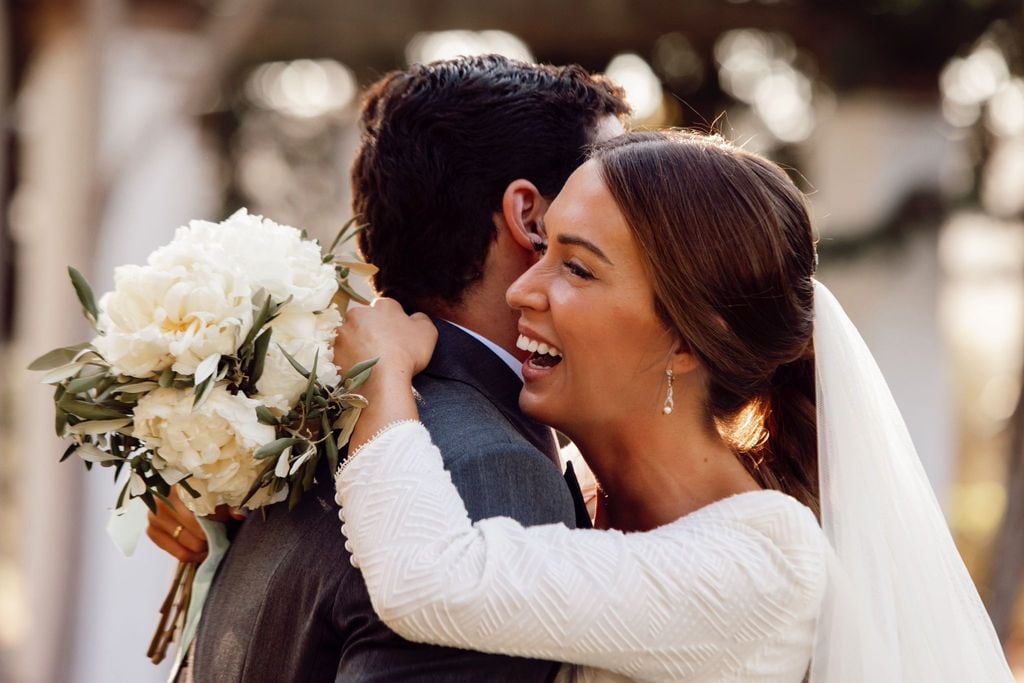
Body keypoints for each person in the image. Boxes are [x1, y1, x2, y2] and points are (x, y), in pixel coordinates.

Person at [332, 131, 1014, 682]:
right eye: (541, 249)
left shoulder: (764, 563)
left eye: (577, 267)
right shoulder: (590, 503)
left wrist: (379, 372)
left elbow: (428, 576)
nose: (521, 292)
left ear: (691, 337)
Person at [146, 54, 629, 681]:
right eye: (618, 191)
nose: (644, 220)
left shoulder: (303, 433)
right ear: (531, 219)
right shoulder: (486, 466)